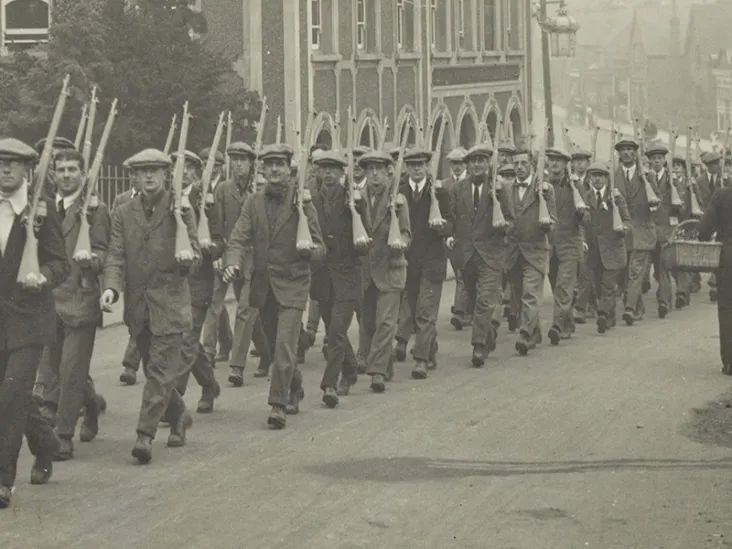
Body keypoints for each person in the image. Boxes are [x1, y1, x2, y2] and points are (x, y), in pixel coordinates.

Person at [101, 148, 200, 463]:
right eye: (142, 171)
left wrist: (187, 259)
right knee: (153, 368)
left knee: (158, 372)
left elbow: (195, 257)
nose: (148, 176)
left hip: (170, 304)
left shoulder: (180, 210)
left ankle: (145, 434)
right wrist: (111, 288)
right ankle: (179, 414)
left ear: (166, 175)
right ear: (134, 176)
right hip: (138, 309)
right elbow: (115, 254)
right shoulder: (122, 213)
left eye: (155, 170)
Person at [223, 143, 325, 428]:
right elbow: (239, 237)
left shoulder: (302, 201)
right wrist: (232, 262)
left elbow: (320, 248)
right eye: (270, 165)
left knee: (284, 344)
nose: (275, 169)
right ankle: (294, 384)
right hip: (262, 286)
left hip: (293, 284)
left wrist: (308, 250)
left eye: (280, 164)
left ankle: (277, 404)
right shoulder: (253, 202)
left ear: (289, 168)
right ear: (263, 169)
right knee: (274, 345)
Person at [0, 138, 69, 508]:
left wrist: (42, 275)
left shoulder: (40, 210)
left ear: (28, 169)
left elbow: (61, 262)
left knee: (10, 398)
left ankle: (3, 480)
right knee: (15, 396)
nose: (5, 169)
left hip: (28, 320)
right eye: (0, 163)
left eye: (13, 163)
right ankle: (46, 444)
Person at [40, 148, 111, 460]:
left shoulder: (95, 211)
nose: (66, 175)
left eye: (72, 169)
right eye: (61, 170)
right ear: (53, 174)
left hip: (80, 301)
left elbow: (105, 253)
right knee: (52, 371)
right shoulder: (44, 208)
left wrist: (92, 260)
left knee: (71, 370)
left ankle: (63, 434)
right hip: (48, 302)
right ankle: (92, 405)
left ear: (83, 174)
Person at [209, 141, 271, 385]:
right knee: (249, 312)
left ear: (251, 163)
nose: (237, 164)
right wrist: (221, 257)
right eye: (233, 160)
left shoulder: (261, 190)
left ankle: (236, 366)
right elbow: (219, 227)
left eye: (242, 160)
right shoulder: (223, 190)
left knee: (246, 309)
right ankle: (266, 356)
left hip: (257, 260)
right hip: (233, 257)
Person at [166, 150, 222, 416]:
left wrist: (210, 247)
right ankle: (209, 384)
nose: (183, 171)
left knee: (187, 338)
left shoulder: (206, 201)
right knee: (187, 341)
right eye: (177, 166)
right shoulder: (165, 199)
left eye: (188, 167)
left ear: (197, 172)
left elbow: (222, 238)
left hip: (199, 280)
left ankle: (172, 399)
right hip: (171, 281)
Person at [448, 143, 512, 366]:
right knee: (476, 301)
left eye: (481, 161)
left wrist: (502, 225)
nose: (477, 165)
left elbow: (510, 220)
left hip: (491, 254)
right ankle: (488, 337)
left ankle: (477, 346)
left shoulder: (499, 188)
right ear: (467, 165)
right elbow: (451, 219)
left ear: (488, 164)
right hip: (466, 255)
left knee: (485, 299)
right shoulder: (457, 190)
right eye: (473, 161)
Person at [310, 150, 363, 406]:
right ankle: (351, 369)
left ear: (343, 173)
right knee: (335, 329)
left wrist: (357, 208)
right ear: (318, 171)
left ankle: (330, 384)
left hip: (347, 275)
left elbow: (363, 237)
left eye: (334, 169)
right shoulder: (310, 201)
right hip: (321, 277)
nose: (329, 173)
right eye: (324, 168)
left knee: (336, 332)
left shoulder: (352, 200)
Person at [396, 147, 453, 378]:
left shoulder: (439, 193)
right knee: (415, 308)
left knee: (425, 312)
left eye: (420, 165)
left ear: (427, 167)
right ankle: (429, 349)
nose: (417, 169)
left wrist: (443, 229)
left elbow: (452, 223)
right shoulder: (399, 193)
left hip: (432, 262)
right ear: (407, 168)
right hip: (409, 263)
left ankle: (420, 359)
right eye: (412, 165)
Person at [357, 149, 411, 392]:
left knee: (386, 323)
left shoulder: (397, 200)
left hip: (391, 268)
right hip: (367, 271)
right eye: (370, 169)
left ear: (388, 172)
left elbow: (407, 233)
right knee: (367, 322)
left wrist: (401, 243)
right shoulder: (358, 199)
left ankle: (377, 370)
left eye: (379, 169)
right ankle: (385, 362)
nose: (375, 174)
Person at [505, 149, 557, 356]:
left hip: (535, 250)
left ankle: (525, 334)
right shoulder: (507, 190)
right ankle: (534, 331)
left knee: (531, 293)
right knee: (518, 295)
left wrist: (546, 225)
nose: (518, 168)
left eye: (523, 164)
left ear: (532, 165)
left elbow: (553, 220)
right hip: (513, 252)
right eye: (515, 164)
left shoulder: (545, 190)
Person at [546, 147, 590, 345]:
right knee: (557, 286)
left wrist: (581, 213)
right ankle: (567, 323)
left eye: (558, 160)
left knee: (564, 287)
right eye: (551, 160)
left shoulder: (576, 186)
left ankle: (557, 325)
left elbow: (587, 218)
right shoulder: (543, 185)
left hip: (570, 244)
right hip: (549, 245)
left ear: (566, 164)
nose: (554, 164)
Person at [614, 137, 660, 326]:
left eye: (630, 149)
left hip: (642, 230)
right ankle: (638, 306)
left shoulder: (647, 176)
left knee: (635, 272)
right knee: (624, 274)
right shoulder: (613, 175)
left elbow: (657, 202)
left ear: (635, 153)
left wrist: (649, 191)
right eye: (623, 149)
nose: (626, 153)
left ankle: (630, 308)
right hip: (622, 232)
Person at [582, 162, 631, 333]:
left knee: (608, 284)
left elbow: (627, 220)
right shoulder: (585, 197)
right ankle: (609, 316)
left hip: (612, 249)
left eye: (600, 175)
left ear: (606, 178)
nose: (596, 178)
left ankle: (602, 314)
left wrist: (623, 229)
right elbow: (580, 222)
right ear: (589, 178)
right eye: (593, 175)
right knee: (596, 283)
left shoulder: (615, 198)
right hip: (593, 251)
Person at [198, 146, 233, 363]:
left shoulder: (225, 188)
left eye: (214, 165)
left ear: (220, 167)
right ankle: (227, 341)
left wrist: (222, 252)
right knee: (215, 302)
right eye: (204, 164)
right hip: (204, 251)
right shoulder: (198, 187)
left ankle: (208, 350)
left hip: (223, 250)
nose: (208, 169)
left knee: (213, 301)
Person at [698, 180, 732, 374]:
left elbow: (705, 229)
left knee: (727, 307)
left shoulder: (721, 195)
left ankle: (729, 361)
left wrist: (703, 237)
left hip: (727, 257)